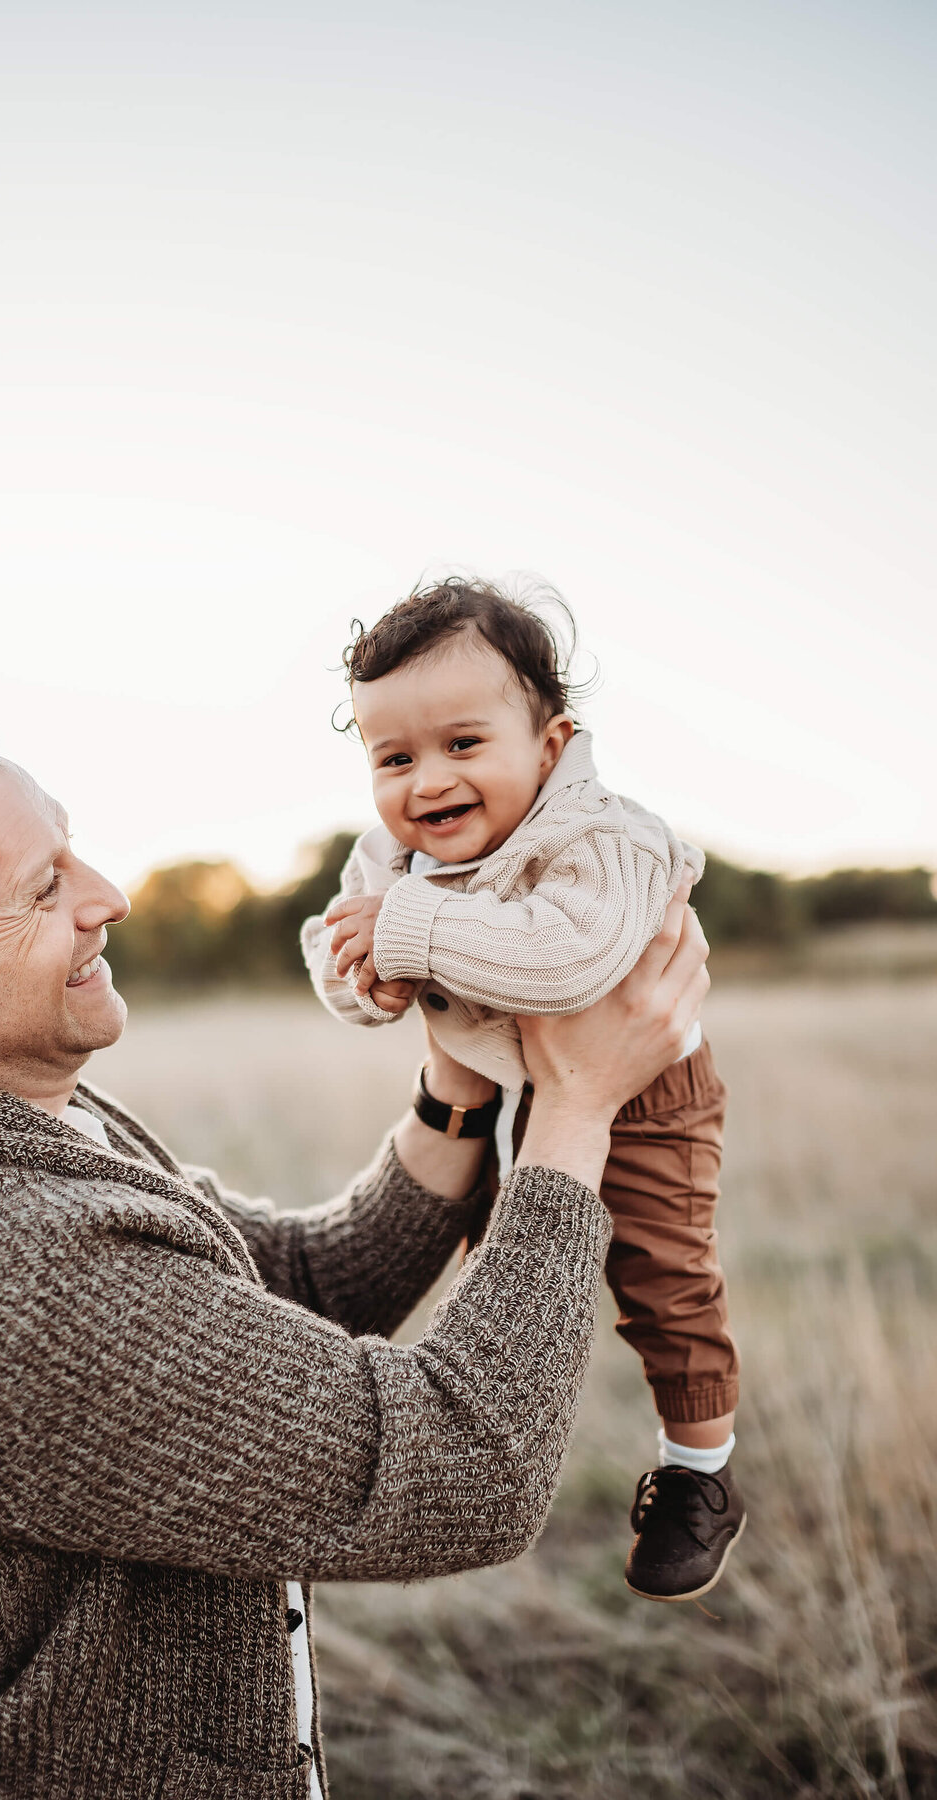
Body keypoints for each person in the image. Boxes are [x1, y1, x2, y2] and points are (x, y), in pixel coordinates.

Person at [0, 697, 709, 1800]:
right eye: (41, 891)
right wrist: (578, 1109)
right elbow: (467, 1467)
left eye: (69, 847)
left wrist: (458, 1081)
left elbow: (283, 1292)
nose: (108, 897)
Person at [301, 578, 744, 1602]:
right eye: (393, 758)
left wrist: (407, 932)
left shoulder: (603, 839)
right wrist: (364, 976)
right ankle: (493, 1420)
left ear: (550, 747)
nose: (427, 781)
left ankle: (700, 1473)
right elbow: (344, 947)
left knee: (660, 1269)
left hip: (641, 1091)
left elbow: (569, 960)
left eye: (464, 745)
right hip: (517, 1097)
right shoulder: (393, 857)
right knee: (505, 1265)